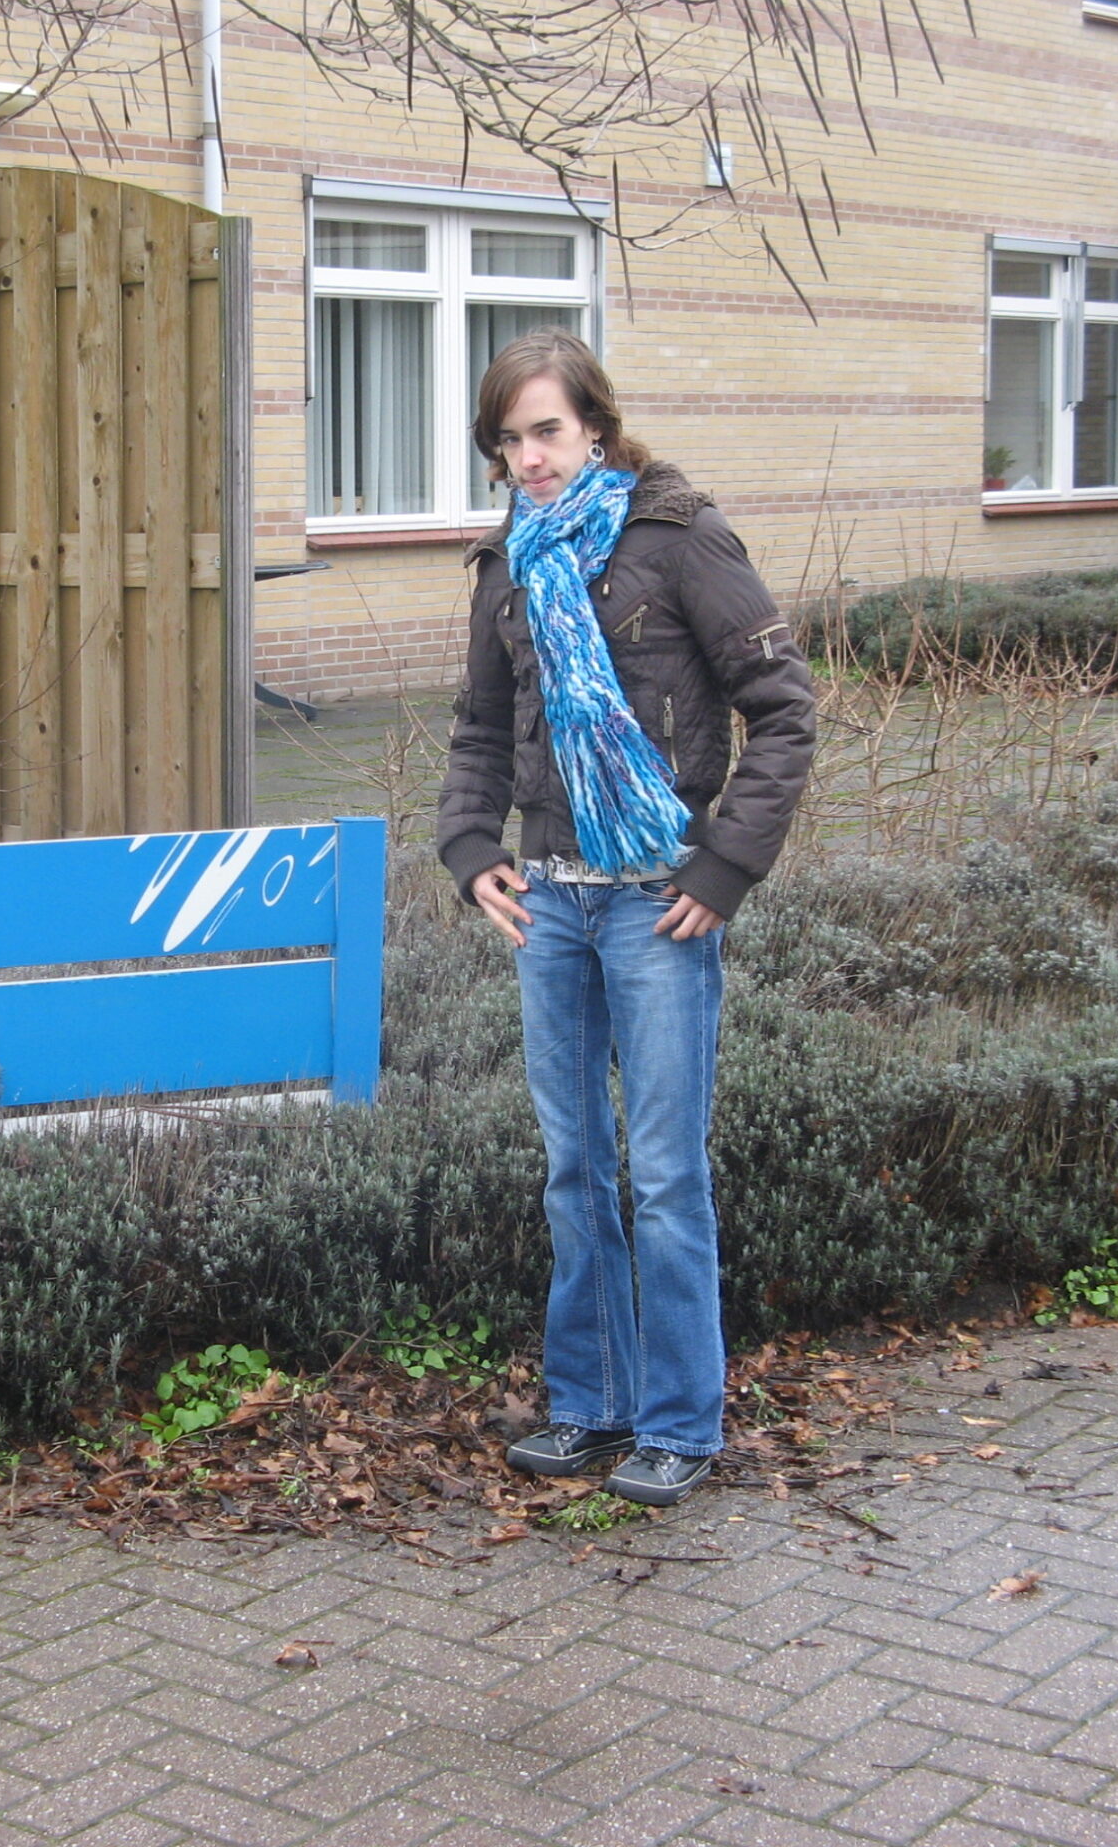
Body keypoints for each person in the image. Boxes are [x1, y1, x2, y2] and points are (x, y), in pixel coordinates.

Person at [436, 330, 814, 1507]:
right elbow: (480, 733)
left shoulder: (680, 539)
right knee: (573, 1169)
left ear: (593, 423)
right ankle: (589, 1407)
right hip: (549, 905)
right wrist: (467, 852)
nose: (529, 459)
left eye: (545, 431)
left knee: (661, 1172)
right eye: (508, 441)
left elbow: (783, 710)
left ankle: (678, 1423)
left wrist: (722, 869)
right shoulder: (509, 565)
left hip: (658, 909)